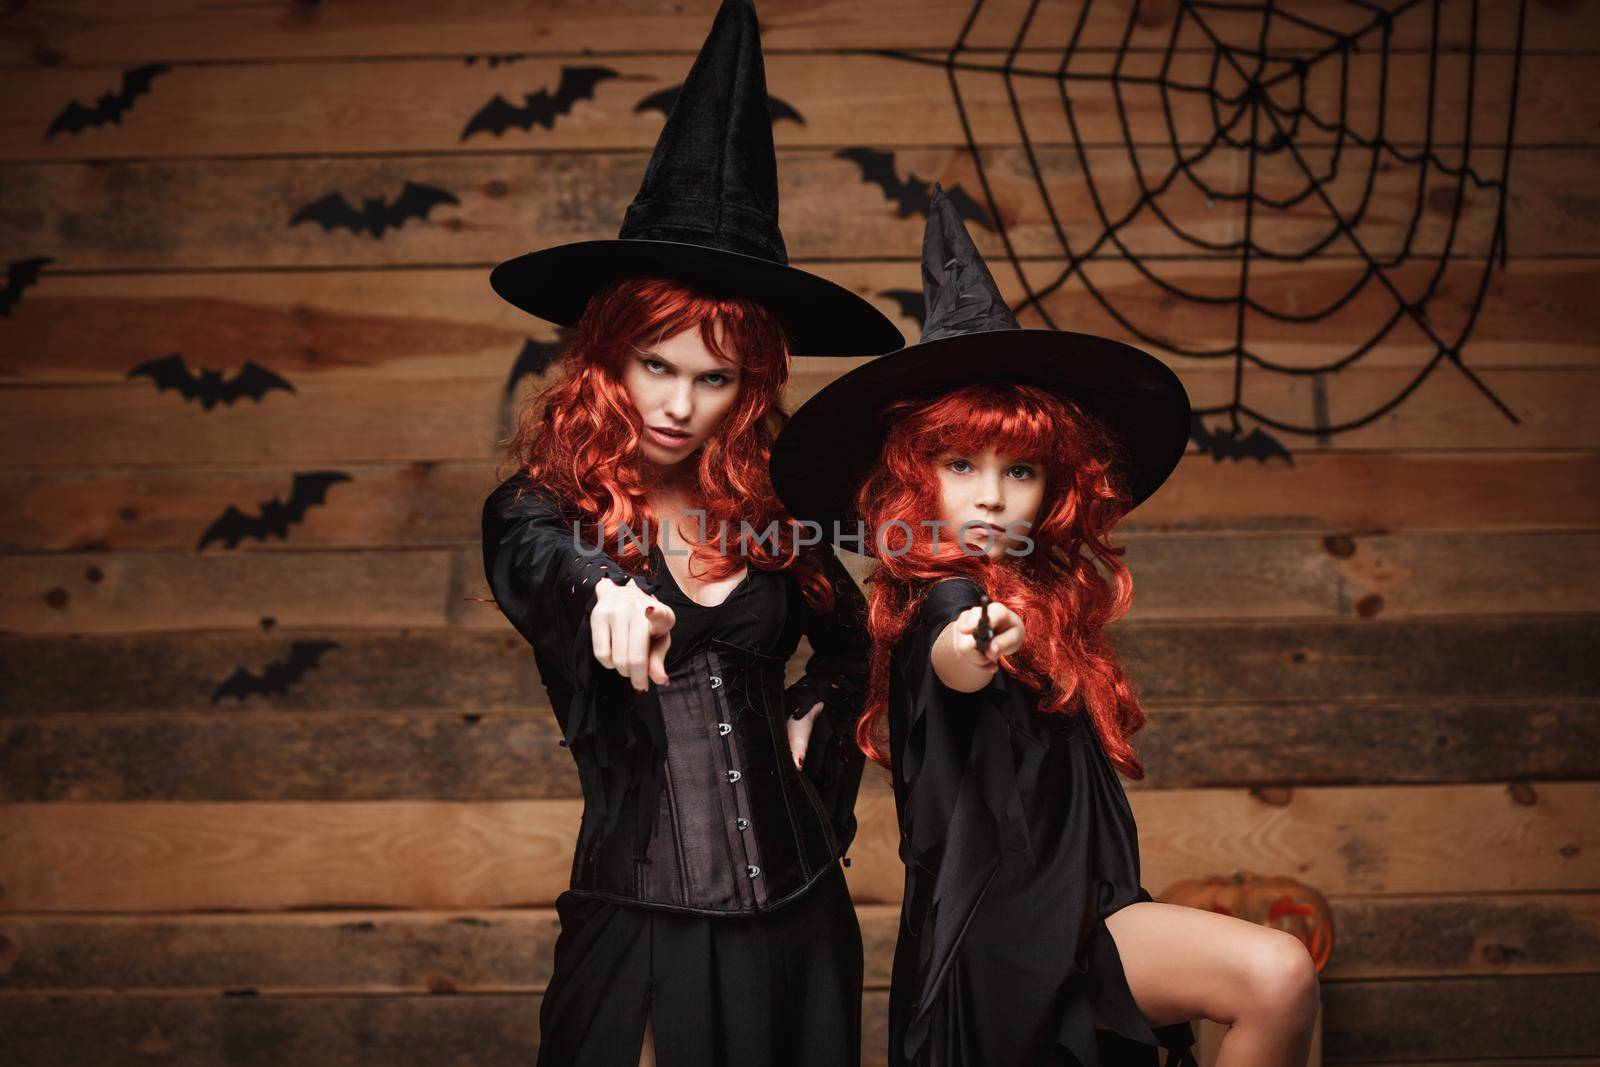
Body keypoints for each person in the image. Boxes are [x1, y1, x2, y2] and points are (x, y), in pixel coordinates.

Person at [769, 187, 1321, 1066]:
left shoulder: (1045, 597)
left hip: (1087, 909)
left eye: (1019, 468)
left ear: (1054, 487)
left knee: (1279, 978)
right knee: (1275, 972)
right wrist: (979, 642)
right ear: (918, 479)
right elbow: (953, 655)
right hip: (1007, 941)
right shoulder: (940, 601)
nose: (991, 493)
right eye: (960, 464)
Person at [479, 3, 903, 1065]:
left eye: (714, 377)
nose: (679, 403)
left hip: (803, 907)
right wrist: (605, 592)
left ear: (747, 390)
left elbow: (855, 642)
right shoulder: (543, 511)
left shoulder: (770, 520)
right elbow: (545, 564)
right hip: (641, 912)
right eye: (655, 365)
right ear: (606, 360)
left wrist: (814, 713)